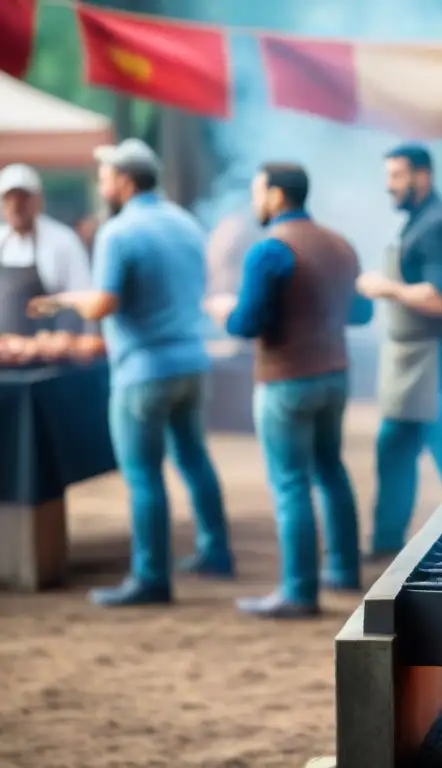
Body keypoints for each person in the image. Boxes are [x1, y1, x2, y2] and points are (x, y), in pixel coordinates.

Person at [27, 139, 232, 607]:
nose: (101, 183)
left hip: (143, 369)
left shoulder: (117, 233)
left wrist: (61, 300)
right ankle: (216, 551)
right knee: (194, 458)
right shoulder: (186, 222)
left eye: (104, 175)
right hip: (191, 362)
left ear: (123, 180)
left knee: (143, 475)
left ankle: (151, 577)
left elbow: (103, 303)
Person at [206, 163, 372, 619]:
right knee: (330, 469)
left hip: (286, 380)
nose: (255, 200)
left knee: (290, 483)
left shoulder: (269, 251)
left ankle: (298, 592)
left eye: (258, 191)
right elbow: (360, 315)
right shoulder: (340, 244)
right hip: (334, 374)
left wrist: (224, 310)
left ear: (277, 195)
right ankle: (341, 570)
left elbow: (248, 323)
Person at [358, 144, 442, 556]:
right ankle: (385, 543)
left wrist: (387, 287)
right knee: (395, 450)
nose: (388, 185)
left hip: (438, 364)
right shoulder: (417, 222)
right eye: (388, 176)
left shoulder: (441, 226)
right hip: (412, 364)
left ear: (422, 175)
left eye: (396, 176)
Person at [0, 163, 91, 335]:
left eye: (22, 199)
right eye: (9, 199)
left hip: (51, 353)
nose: (15, 206)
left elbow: (83, 296)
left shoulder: (63, 241)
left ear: (38, 200)